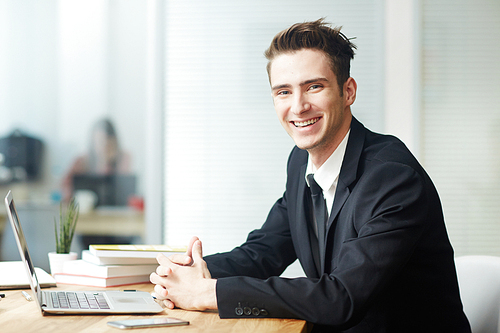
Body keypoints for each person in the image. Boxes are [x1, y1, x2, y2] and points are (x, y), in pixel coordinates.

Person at [150, 19, 471, 332]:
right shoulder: (301, 162)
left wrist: (209, 293)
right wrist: (190, 273)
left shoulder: (392, 178)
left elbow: (342, 297)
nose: (299, 106)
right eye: (283, 92)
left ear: (348, 91)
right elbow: (264, 252)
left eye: (314, 87)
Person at [61, 118, 131, 202]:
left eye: (105, 141)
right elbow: (65, 186)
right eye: (98, 140)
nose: (102, 145)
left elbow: (123, 188)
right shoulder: (82, 160)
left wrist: (108, 160)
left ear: (113, 141)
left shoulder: (123, 157)